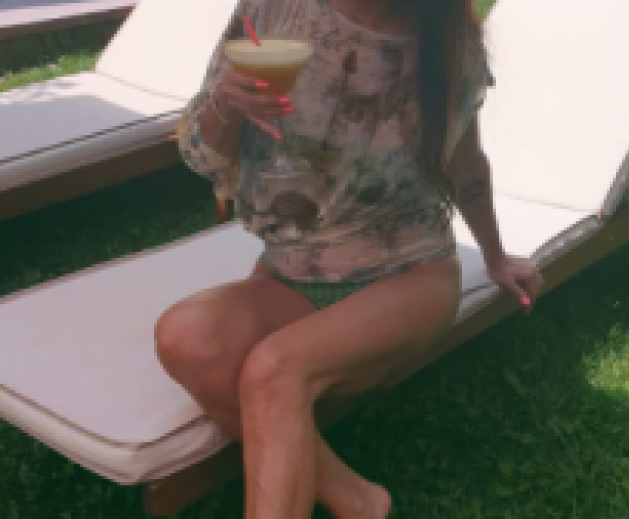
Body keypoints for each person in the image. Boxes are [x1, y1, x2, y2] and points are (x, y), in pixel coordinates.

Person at [155, 0, 543, 517]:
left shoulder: (448, 38)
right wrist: (226, 103)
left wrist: (494, 256)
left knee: (274, 371)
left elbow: (466, 163)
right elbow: (200, 155)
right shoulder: (274, 12)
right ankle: (358, 500)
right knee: (184, 337)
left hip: (410, 272)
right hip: (293, 270)